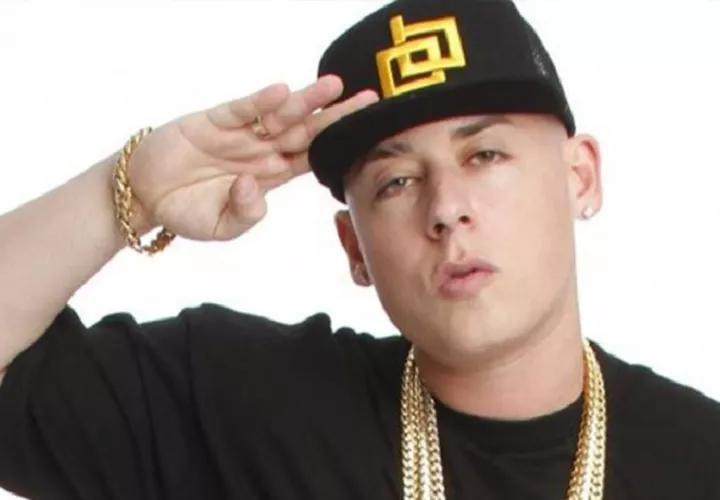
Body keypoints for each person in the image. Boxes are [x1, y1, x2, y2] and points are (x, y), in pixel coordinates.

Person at [0, 0, 719, 498]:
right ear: (354, 247)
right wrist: (126, 193)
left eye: (485, 156)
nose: (446, 208)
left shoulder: (699, 460)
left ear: (580, 176)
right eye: (396, 182)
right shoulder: (244, 408)